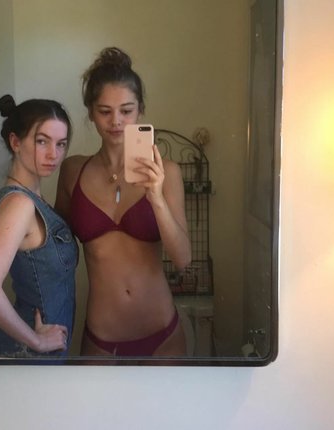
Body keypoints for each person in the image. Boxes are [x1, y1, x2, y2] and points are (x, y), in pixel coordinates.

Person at [55, 47, 191, 357]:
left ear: (140, 110)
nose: (116, 121)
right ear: (91, 112)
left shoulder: (167, 173)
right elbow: (57, 248)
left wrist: (156, 197)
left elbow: (183, 259)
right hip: (101, 338)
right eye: (104, 111)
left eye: (126, 110)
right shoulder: (73, 171)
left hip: (163, 335)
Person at [0, 95, 78, 356]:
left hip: (42, 353)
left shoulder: (30, 199)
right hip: (31, 355)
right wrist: (37, 341)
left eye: (61, 144)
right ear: (15, 142)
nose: (53, 154)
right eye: (42, 141)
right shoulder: (20, 204)